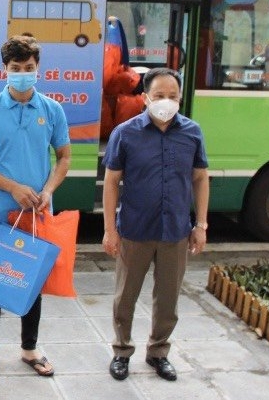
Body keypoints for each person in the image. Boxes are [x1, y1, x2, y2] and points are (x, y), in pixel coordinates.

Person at [0, 35, 71, 378]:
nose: (23, 74)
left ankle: (29, 348)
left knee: (32, 281)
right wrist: (12, 187)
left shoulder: (52, 110)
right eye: (16, 68)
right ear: (4, 69)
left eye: (28, 68)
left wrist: (48, 189)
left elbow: (64, 157)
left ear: (38, 68)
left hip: (38, 213)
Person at [102, 67, 209, 382]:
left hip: (175, 230)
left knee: (168, 299)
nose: (166, 101)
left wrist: (201, 225)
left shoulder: (192, 132)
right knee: (125, 297)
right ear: (145, 97)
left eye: (173, 96)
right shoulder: (125, 133)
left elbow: (200, 178)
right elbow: (111, 182)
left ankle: (158, 352)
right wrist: (110, 230)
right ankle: (122, 351)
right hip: (135, 229)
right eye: (159, 95)